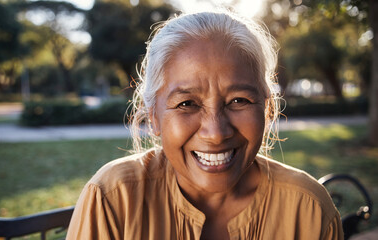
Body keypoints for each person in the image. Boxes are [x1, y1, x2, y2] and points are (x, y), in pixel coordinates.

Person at [67, 10, 343, 239]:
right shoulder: (115, 199)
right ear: (153, 116)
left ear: (268, 108)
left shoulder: (308, 209)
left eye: (238, 101)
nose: (216, 133)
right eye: (187, 104)